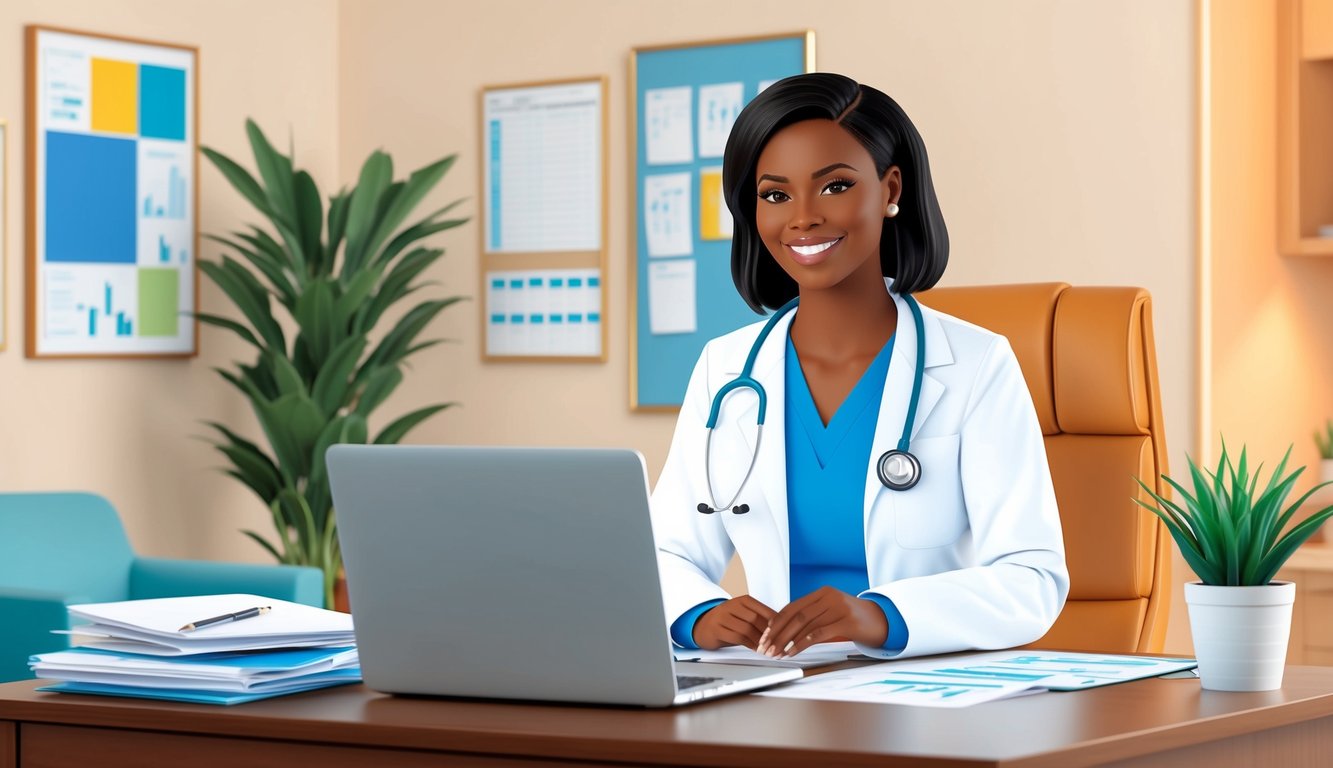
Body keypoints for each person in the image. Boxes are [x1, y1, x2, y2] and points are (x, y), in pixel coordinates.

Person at [649, 72, 1069, 661]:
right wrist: (699, 614)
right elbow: (664, 552)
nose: (802, 218)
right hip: (770, 688)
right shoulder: (726, 370)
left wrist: (876, 616)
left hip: (921, 693)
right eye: (775, 195)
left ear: (890, 188)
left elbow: (1032, 578)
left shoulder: (977, 365)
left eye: (835, 186)